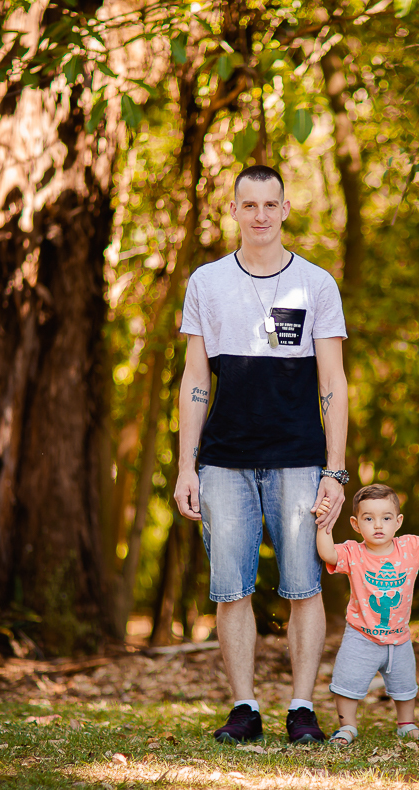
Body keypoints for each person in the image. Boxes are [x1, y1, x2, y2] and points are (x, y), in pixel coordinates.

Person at [174, 164, 350, 745]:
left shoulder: (317, 284)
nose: (260, 216)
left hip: (299, 459)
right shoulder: (207, 282)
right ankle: (244, 709)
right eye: (248, 205)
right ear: (233, 211)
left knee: (304, 585)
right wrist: (186, 465)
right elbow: (195, 378)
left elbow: (333, 383)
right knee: (232, 587)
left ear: (285, 209)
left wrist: (335, 470)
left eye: (270, 205)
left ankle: (302, 709)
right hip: (223, 460)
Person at [315, 484, 419, 745]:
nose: (378, 525)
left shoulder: (410, 548)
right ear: (356, 524)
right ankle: (347, 727)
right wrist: (324, 524)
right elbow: (327, 553)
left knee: (405, 685)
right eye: (369, 519)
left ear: (398, 521)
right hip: (361, 636)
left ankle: (406, 724)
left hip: (399, 637)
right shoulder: (354, 552)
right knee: (347, 682)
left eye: (386, 518)